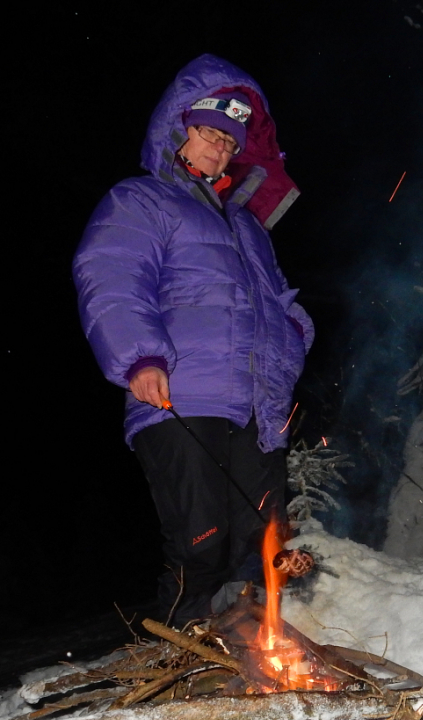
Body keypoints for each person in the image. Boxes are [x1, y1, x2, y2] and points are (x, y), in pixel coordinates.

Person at [73, 54, 313, 626]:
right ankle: (183, 655)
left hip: (257, 405)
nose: (220, 149)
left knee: (262, 547)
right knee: (201, 541)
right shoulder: (143, 200)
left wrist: (295, 340)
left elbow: (274, 302)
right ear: (179, 131)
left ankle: (254, 656)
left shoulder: (246, 227)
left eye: (231, 143)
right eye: (209, 133)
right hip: (181, 394)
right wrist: (140, 357)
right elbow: (110, 275)